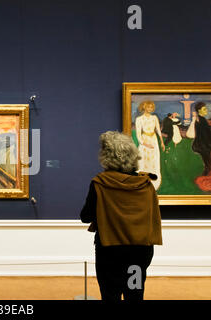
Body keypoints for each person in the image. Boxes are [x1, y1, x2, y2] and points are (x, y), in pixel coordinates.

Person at [80, 131, 163, 301]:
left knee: (111, 294)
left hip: (110, 251)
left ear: (106, 157)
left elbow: (86, 216)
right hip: (140, 252)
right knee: (135, 294)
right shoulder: (145, 184)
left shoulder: (100, 183)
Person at [135, 101, 165, 190]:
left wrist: (162, 142)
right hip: (145, 141)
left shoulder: (154, 117)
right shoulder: (139, 119)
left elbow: (158, 130)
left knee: (154, 160)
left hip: (154, 140)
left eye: (152, 107)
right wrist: (145, 144)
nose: (151, 109)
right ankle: (143, 181)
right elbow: (138, 134)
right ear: (144, 107)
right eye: (149, 107)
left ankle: (154, 182)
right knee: (143, 161)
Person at [189, 102, 211, 176]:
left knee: (207, 162)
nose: (206, 111)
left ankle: (206, 173)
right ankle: (206, 174)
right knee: (208, 162)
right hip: (203, 144)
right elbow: (206, 133)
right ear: (199, 111)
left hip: (204, 144)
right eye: (204, 109)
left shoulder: (203, 119)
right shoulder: (200, 120)